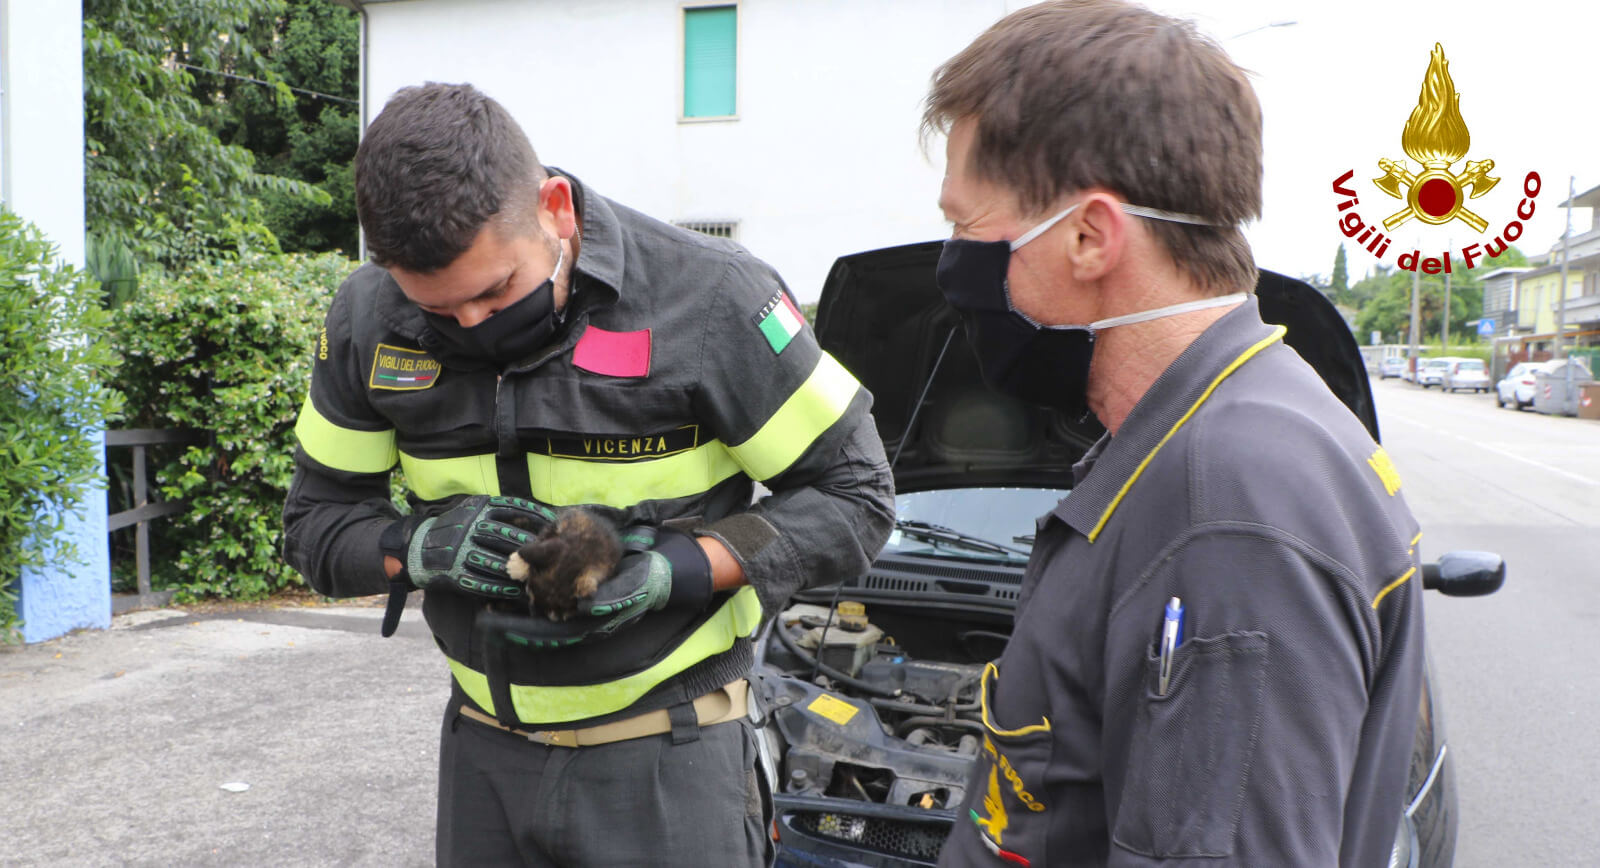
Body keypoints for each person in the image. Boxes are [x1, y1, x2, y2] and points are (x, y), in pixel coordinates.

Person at [282, 83, 894, 867]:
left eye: (496, 290)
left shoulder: (711, 297)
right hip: (482, 760)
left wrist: (673, 571)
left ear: (556, 209)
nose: (473, 326)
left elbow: (858, 500)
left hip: (668, 762)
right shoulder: (368, 318)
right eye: (436, 311)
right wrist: (420, 546)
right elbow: (318, 524)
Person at [923, 3, 1426, 866]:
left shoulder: (1229, 503)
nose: (955, 259)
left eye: (970, 226)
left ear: (1089, 235)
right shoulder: (1217, 430)